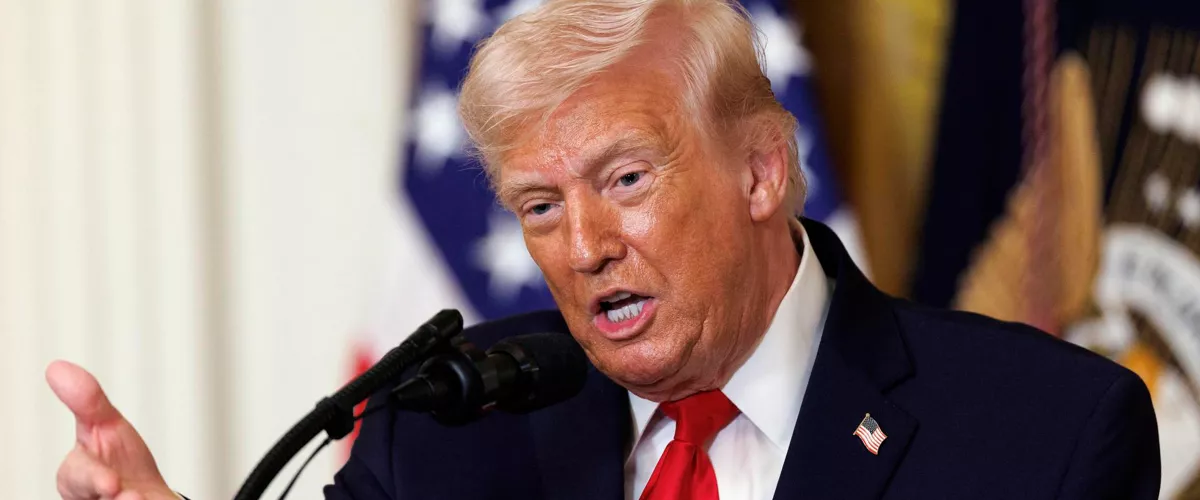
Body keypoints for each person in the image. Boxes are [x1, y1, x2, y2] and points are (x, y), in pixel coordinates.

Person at [47, 0, 1161, 499]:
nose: (580, 247)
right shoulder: (444, 432)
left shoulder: (1044, 437)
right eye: (537, 206)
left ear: (763, 171)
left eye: (625, 180)